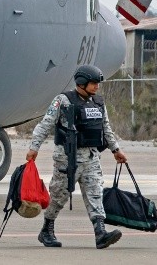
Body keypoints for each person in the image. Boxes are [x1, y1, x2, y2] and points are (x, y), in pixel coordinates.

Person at [26, 64, 128, 249]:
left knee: (95, 193)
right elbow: (45, 124)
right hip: (67, 158)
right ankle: (46, 229)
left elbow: (105, 128)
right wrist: (34, 148)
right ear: (81, 83)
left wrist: (116, 150)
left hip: (91, 157)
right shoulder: (63, 101)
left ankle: (100, 233)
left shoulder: (98, 102)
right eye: (93, 83)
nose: (97, 86)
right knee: (59, 195)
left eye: (98, 83)